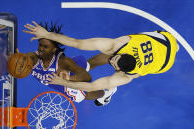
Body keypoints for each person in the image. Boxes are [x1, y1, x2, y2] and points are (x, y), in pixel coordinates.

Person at [23, 21, 178, 103]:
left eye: (114, 65)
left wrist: (64, 82)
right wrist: (47, 33)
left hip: (164, 63)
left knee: (91, 91)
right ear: (121, 54)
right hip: (165, 39)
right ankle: (175, 45)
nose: (112, 62)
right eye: (114, 60)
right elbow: (77, 43)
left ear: (121, 71)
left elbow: (91, 86)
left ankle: (107, 93)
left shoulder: (126, 76)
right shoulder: (118, 44)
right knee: (108, 54)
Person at [20, 22, 106, 104]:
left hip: (67, 83)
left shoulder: (63, 62)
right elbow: (25, 58)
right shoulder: (32, 57)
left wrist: (67, 80)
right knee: (91, 63)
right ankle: (115, 53)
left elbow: (86, 77)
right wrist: (17, 59)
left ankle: (105, 94)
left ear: (53, 50)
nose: (41, 49)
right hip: (69, 72)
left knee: (86, 94)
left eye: (45, 47)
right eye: (40, 45)